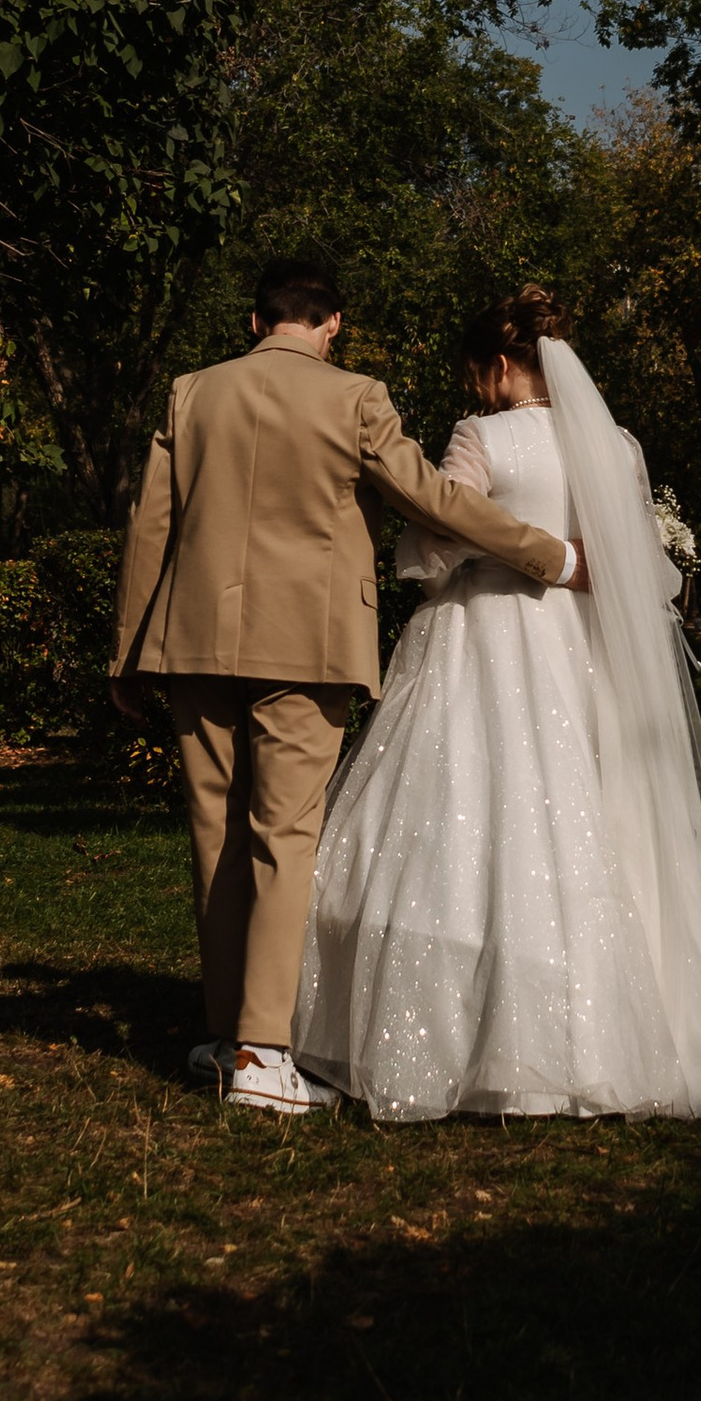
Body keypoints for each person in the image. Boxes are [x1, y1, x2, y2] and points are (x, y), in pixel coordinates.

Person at [294, 287, 701, 1121]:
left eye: (474, 373)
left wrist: (419, 550)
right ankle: (617, 1034)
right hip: (587, 648)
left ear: (495, 365)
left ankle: (455, 1034)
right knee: (596, 822)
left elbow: (435, 546)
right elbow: (637, 562)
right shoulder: (618, 445)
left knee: (469, 820)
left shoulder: (480, 437)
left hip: (484, 636)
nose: (475, 388)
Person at [109, 260, 589, 1116]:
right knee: (283, 836)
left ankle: (227, 1036)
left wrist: (126, 655)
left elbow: (154, 521)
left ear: (256, 322)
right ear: (332, 323)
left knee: (214, 835)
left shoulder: (191, 392)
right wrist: (548, 553)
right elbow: (436, 498)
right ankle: (262, 1052)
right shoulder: (355, 397)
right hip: (308, 646)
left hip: (191, 642)